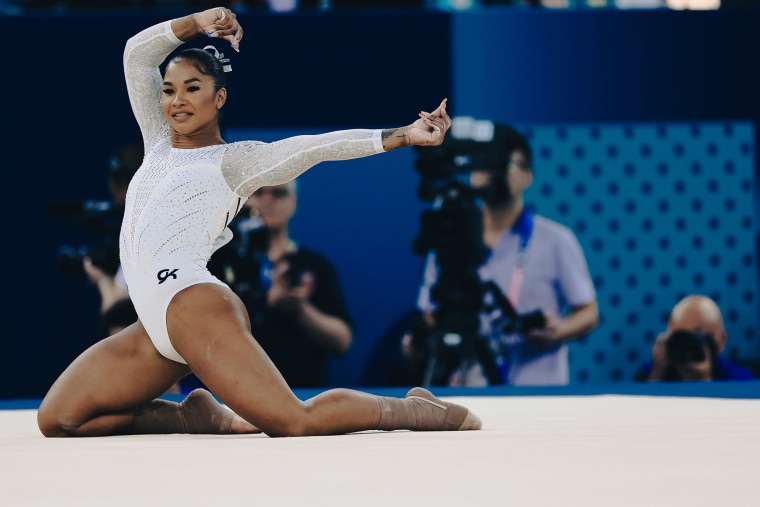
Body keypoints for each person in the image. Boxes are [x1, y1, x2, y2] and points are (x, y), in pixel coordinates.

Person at [37, 7, 481, 437]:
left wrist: (401, 135)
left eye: (193, 88)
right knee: (59, 419)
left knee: (294, 421)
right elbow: (136, 54)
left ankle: (413, 409)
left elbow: (316, 147)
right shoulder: (156, 142)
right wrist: (198, 21)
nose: (177, 100)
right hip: (152, 325)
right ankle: (191, 417)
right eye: (169, 90)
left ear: (220, 96)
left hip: (195, 308)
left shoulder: (234, 161)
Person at [403, 119, 599, 386]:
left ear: (527, 176)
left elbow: (588, 311)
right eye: (483, 163)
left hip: (539, 391)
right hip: (466, 390)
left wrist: (558, 331)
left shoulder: (556, 240)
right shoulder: (451, 236)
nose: (491, 172)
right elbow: (429, 308)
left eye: (503, 164)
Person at [206, 179, 354, 388]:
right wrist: (263, 302)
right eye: (258, 193)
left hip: (302, 395)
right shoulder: (223, 263)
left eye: (278, 193)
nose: (267, 200)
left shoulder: (315, 266)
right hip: (235, 393)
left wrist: (301, 311)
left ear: (294, 202)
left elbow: (342, 341)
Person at [635, 295, 754, 381]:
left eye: (698, 337)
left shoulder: (739, 379)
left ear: (722, 340)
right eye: (681, 337)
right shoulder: (651, 371)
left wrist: (705, 381)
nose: (689, 344)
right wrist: (657, 375)